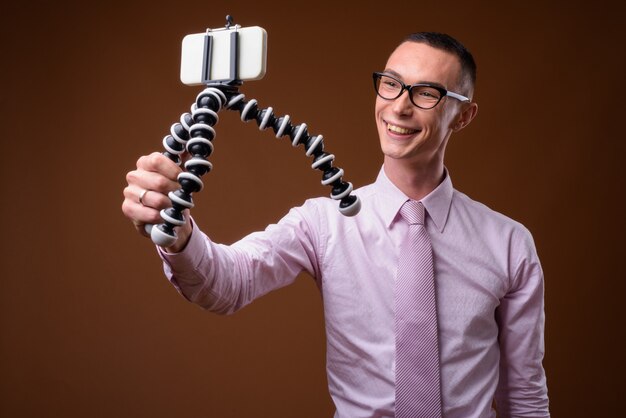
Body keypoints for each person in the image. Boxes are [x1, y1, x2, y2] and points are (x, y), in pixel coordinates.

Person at [122, 32, 550, 417]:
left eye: (426, 93)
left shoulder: (509, 244)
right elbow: (227, 283)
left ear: (464, 115)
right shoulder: (324, 223)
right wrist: (178, 238)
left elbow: (525, 396)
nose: (399, 105)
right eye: (391, 83)